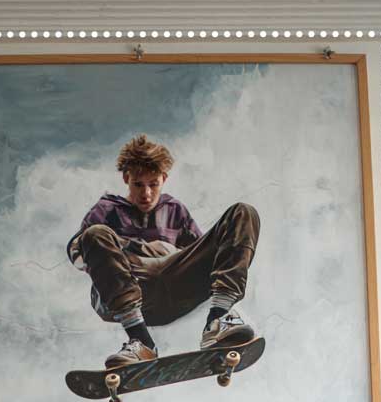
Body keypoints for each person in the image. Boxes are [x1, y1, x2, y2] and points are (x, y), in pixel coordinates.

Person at [66, 134, 261, 370]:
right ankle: (141, 341)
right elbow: (78, 253)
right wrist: (134, 249)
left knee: (243, 213)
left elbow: (206, 257)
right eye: (138, 184)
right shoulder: (107, 210)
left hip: (175, 282)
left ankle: (217, 320)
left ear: (164, 178)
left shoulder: (175, 209)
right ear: (127, 178)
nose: (146, 193)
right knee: (95, 233)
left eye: (153, 184)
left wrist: (171, 253)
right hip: (135, 286)